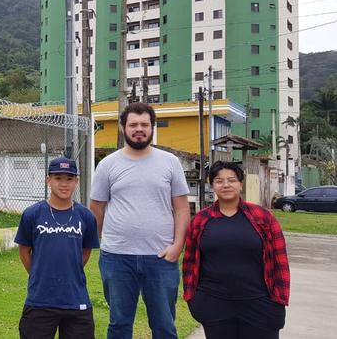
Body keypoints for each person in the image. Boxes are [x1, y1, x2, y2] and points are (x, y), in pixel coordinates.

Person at [89, 102, 190, 339]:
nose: (139, 129)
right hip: (117, 258)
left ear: (152, 127)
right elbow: (96, 208)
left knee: (164, 326)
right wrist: (103, 243)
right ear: (123, 127)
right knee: (119, 325)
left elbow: (182, 208)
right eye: (133, 124)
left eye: (145, 124)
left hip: (161, 258)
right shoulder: (107, 164)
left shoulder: (170, 162)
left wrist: (178, 246)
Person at [182, 161, 290, 339]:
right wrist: (194, 300)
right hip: (214, 304)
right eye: (219, 181)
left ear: (240, 184)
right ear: (212, 186)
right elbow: (189, 263)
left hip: (259, 304)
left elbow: (280, 262)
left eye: (231, 180)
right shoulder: (201, 220)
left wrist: (278, 301)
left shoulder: (262, 217)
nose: (225, 185)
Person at [15, 156, 100, 339]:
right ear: (48, 180)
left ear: (76, 181)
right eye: (58, 178)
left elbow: (85, 252)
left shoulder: (86, 216)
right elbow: (24, 251)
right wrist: (40, 273)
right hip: (40, 300)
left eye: (69, 178)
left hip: (76, 300)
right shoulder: (32, 214)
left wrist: (68, 271)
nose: (64, 184)